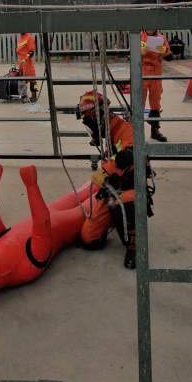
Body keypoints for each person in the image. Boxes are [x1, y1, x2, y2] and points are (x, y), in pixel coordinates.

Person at [0, 163, 94, 294]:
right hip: (62, 223)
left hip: (52, 215)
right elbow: (43, 222)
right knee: (88, 206)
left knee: (79, 195)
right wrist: (31, 185)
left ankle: (102, 177)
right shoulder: (28, 266)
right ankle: (104, 183)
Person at [76, 90, 155, 269]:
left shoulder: (125, 129)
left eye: (89, 121)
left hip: (131, 187)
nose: (90, 129)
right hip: (113, 189)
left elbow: (130, 154)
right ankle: (112, 220)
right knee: (89, 239)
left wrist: (105, 171)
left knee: (123, 203)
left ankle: (134, 243)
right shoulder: (109, 135)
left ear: (98, 116)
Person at [141, 29, 172, 142]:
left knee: (156, 103)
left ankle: (155, 131)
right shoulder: (138, 36)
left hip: (155, 75)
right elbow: (133, 53)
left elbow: (169, 56)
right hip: (141, 74)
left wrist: (161, 49)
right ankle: (135, 133)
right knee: (139, 103)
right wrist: (143, 49)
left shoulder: (161, 38)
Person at [16, 32, 38, 102]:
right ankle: (23, 95)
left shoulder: (29, 38)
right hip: (21, 62)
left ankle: (34, 96)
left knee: (33, 79)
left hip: (27, 62)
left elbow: (31, 51)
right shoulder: (20, 38)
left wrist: (26, 59)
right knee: (22, 79)